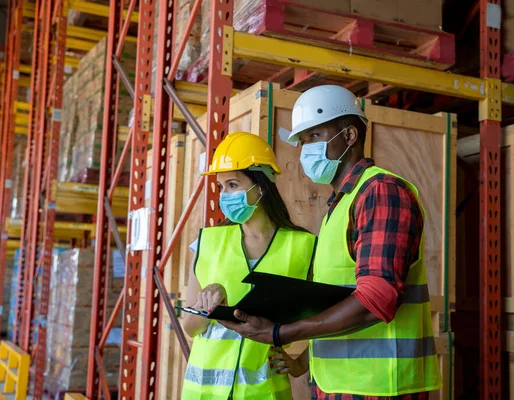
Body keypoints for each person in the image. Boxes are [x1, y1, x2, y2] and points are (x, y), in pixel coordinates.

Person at [220, 86, 442, 399]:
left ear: (350, 136)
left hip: (379, 387)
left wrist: (280, 333)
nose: (305, 150)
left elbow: (375, 302)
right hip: (336, 385)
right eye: (302, 141)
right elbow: (337, 303)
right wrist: (303, 361)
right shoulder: (339, 206)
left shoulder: (380, 193)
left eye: (315, 136)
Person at [181, 131, 317, 400]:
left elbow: (330, 318)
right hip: (204, 393)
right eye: (221, 187)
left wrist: (301, 363)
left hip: (265, 392)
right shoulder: (207, 242)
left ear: (261, 186)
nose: (224, 195)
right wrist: (206, 304)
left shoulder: (303, 247)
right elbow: (191, 327)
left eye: (233, 184)